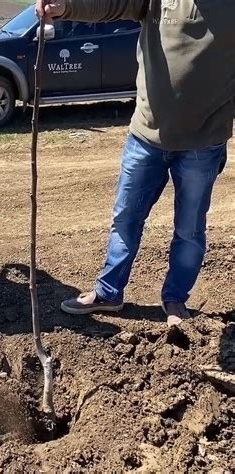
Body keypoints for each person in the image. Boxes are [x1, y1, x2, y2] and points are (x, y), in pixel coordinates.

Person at [36, 0, 233, 326]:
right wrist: (65, 7)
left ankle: (175, 301)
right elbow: (112, 4)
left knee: (189, 231)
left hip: (203, 143)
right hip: (146, 136)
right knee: (125, 219)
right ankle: (109, 292)